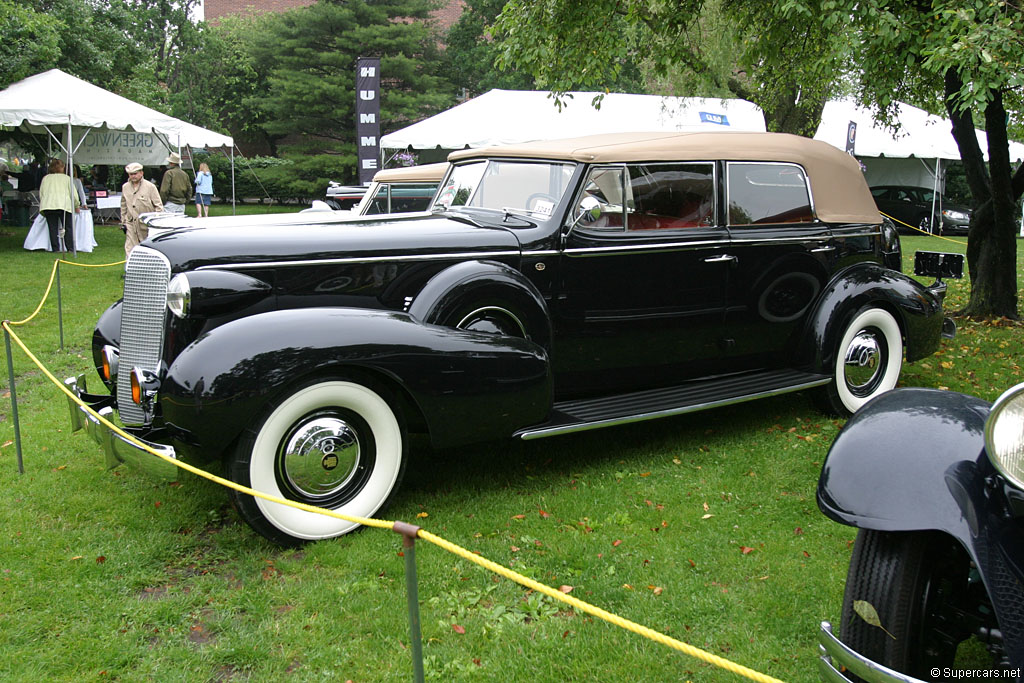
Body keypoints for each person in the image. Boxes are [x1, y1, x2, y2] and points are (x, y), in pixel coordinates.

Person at [121, 162, 163, 256]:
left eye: (135, 173)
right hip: (131, 223)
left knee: (147, 249)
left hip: (146, 224)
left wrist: (155, 222)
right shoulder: (125, 187)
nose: (133, 176)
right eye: (131, 174)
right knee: (129, 248)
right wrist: (124, 221)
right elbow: (123, 205)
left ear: (141, 173)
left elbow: (159, 206)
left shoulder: (150, 187)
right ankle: (130, 268)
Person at [39, 158, 77, 253]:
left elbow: (41, 193)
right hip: (64, 204)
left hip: (48, 204)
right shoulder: (67, 178)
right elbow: (74, 194)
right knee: (68, 227)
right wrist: (76, 204)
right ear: (62, 168)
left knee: (52, 227)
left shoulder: (46, 178)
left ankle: (55, 248)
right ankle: (70, 248)